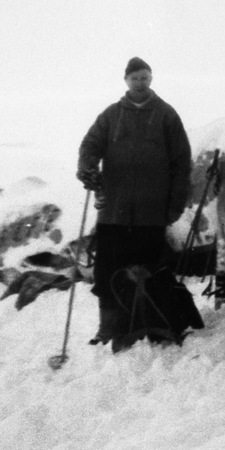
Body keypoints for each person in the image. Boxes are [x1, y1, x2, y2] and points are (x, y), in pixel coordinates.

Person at [77, 57, 192, 343]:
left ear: (150, 79)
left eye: (144, 77)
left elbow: (181, 161)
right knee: (108, 270)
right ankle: (110, 327)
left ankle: (156, 323)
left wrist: (174, 204)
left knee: (151, 270)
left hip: (151, 212)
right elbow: (90, 145)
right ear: (126, 80)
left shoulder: (166, 115)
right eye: (134, 78)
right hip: (114, 211)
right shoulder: (111, 115)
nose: (140, 82)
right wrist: (87, 166)